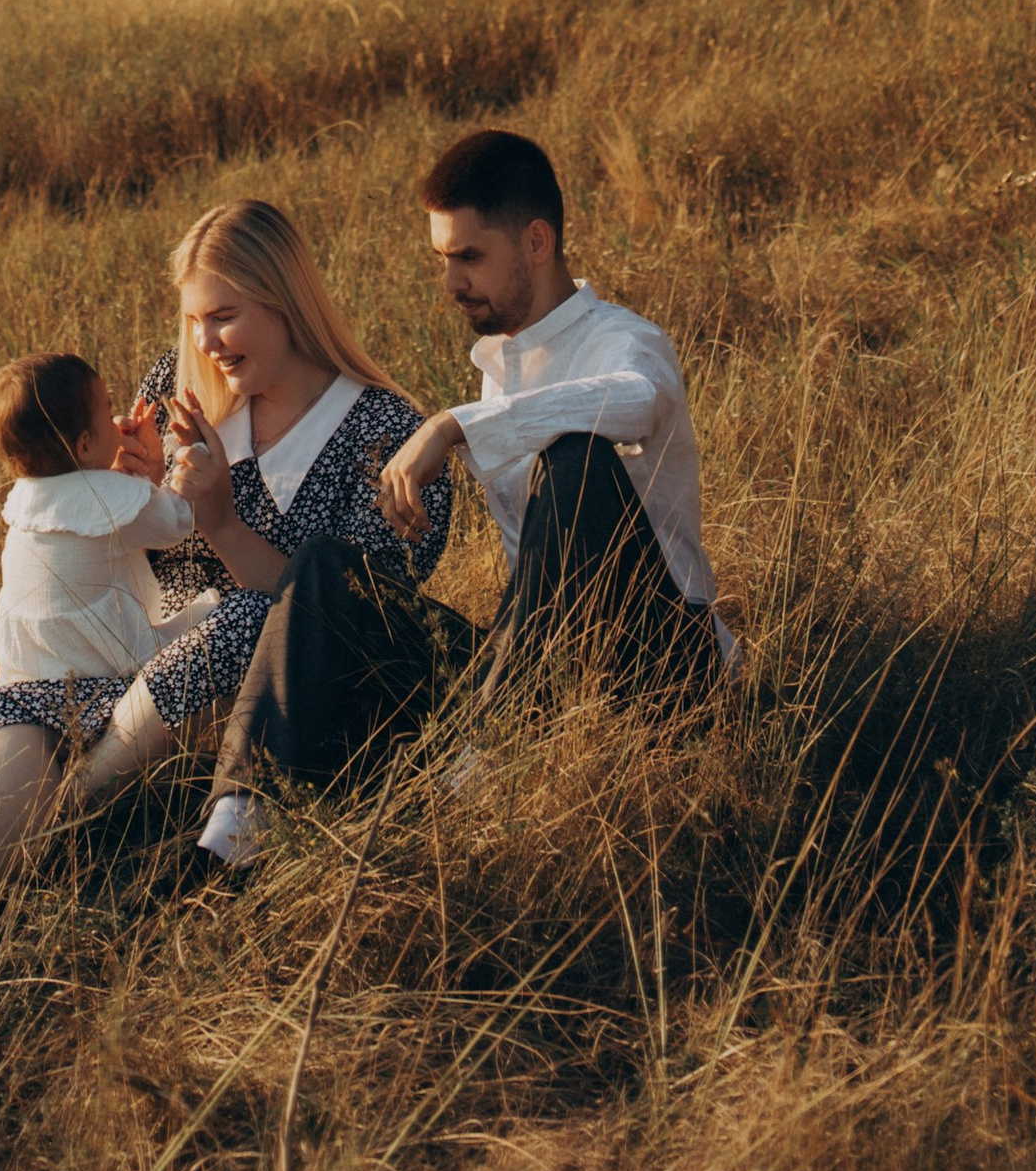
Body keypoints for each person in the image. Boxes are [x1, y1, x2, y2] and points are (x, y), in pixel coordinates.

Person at [0, 199, 450, 949]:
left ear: (285, 300)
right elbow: (138, 554)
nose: (204, 342)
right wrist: (144, 491)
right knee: (29, 702)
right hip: (135, 664)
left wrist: (222, 521)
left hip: (252, 704)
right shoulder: (178, 389)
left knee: (249, 619)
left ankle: (71, 818)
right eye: (192, 320)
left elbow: (356, 621)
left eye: (223, 316)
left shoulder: (385, 433)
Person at [193, 128, 733, 864]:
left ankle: (474, 758)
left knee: (575, 463)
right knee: (328, 569)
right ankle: (233, 835)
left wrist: (451, 426)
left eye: (469, 257)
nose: (450, 283)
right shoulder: (503, 364)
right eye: (443, 260)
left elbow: (641, 398)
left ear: (537, 243)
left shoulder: (624, 341)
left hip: (663, 664)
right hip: (542, 674)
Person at [0, 351, 204, 688]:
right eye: (107, 409)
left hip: (38, 670)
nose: (116, 417)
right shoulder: (107, 494)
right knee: (219, 619)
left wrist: (129, 478)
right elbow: (174, 523)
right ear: (84, 445)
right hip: (113, 666)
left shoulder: (26, 497)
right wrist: (192, 456)